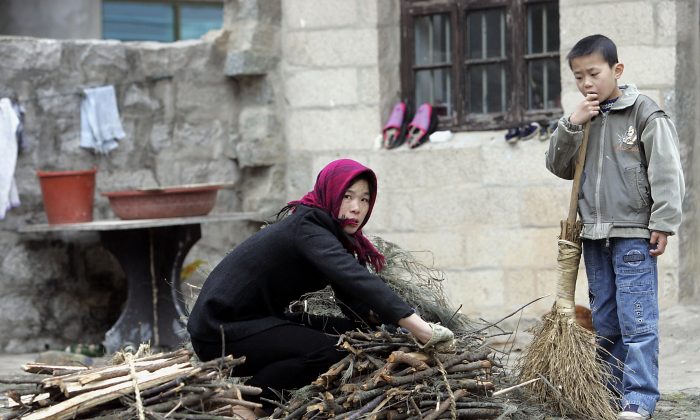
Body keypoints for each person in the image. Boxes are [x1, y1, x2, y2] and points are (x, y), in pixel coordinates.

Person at [187, 158, 454, 418]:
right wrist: (421, 329)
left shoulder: (328, 235)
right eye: (347, 196)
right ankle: (246, 401)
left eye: (364, 199)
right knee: (334, 349)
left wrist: (383, 327)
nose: (356, 208)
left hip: (258, 321)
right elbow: (357, 279)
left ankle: (258, 393)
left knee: (352, 335)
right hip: (219, 329)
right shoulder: (309, 228)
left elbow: (353, 300)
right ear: (331, 193)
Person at [546, 35, 685, 420]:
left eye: (594, 73)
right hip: (593, 235)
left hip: (634, 234)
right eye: (578, 77)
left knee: (637, 318)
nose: (586, 83)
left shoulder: (643, 113)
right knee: (605, 318)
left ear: (616, 70)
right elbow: (557, 166)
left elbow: (667, 171)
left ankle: (639, 399)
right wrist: (572, 125)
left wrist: (663, 222)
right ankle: (608, 395)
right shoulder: (582, 119)